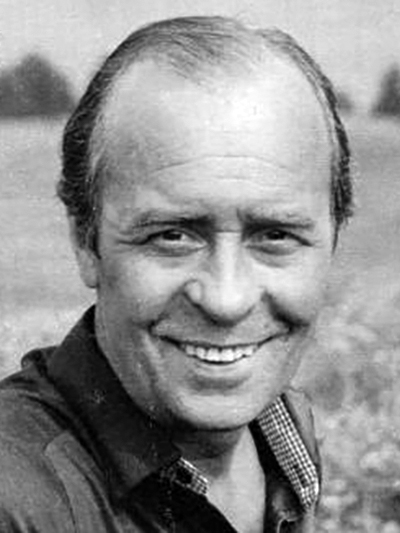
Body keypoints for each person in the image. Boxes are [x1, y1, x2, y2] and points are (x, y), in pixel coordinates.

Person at [0, 15, 352, 533]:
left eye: (275, 235)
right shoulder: (15, 499)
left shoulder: (282, 428)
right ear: (86, 240)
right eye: (173, 236)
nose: (226, 299)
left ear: (334, 240)